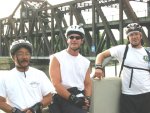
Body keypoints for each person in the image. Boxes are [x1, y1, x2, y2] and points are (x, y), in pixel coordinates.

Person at [94, 23, 150, 113]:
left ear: (141, 36)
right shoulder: (122, 49)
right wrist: (98, 67)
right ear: (128, 38)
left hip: (147, 95)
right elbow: (101, 55)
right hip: (128, 96)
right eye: (131, 35)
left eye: (136, 34)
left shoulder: (147, 53)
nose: (134, 37)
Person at [0, 39, 56, 113]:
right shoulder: (5, 77)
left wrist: (35, 108)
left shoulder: (39, 74)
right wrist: (15, 111)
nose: (24, 57)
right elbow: (1, 102)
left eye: (27, 54)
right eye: (20, 54)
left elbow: (49, 97)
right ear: (13, 57)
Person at [49, 24, 92, 113]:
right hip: (61, 96)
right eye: (71, 37)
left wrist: (87, 98)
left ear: (82, 40)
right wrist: (73, 99)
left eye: (77, 38)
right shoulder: (56, 58)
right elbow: (56, 84)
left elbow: (87, 84)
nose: (74, 40)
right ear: (67, 40)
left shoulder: (85, 62)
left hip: (78, 95)